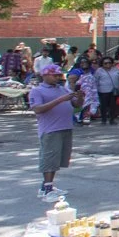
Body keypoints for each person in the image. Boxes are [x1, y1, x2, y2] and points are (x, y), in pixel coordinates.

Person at [28, 62, 82, 199]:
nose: (57, 77)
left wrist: (80, 97)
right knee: (49, 158)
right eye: (54, 75)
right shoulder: (37, 91)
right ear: (44, 75)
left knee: (58, 159)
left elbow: (76, 105)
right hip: (51, 129)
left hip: (65, 127)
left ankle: (48, 185)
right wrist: (59, 100)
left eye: (59, 75)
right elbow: (38, 109)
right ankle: (47, 189)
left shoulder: (62, 89)